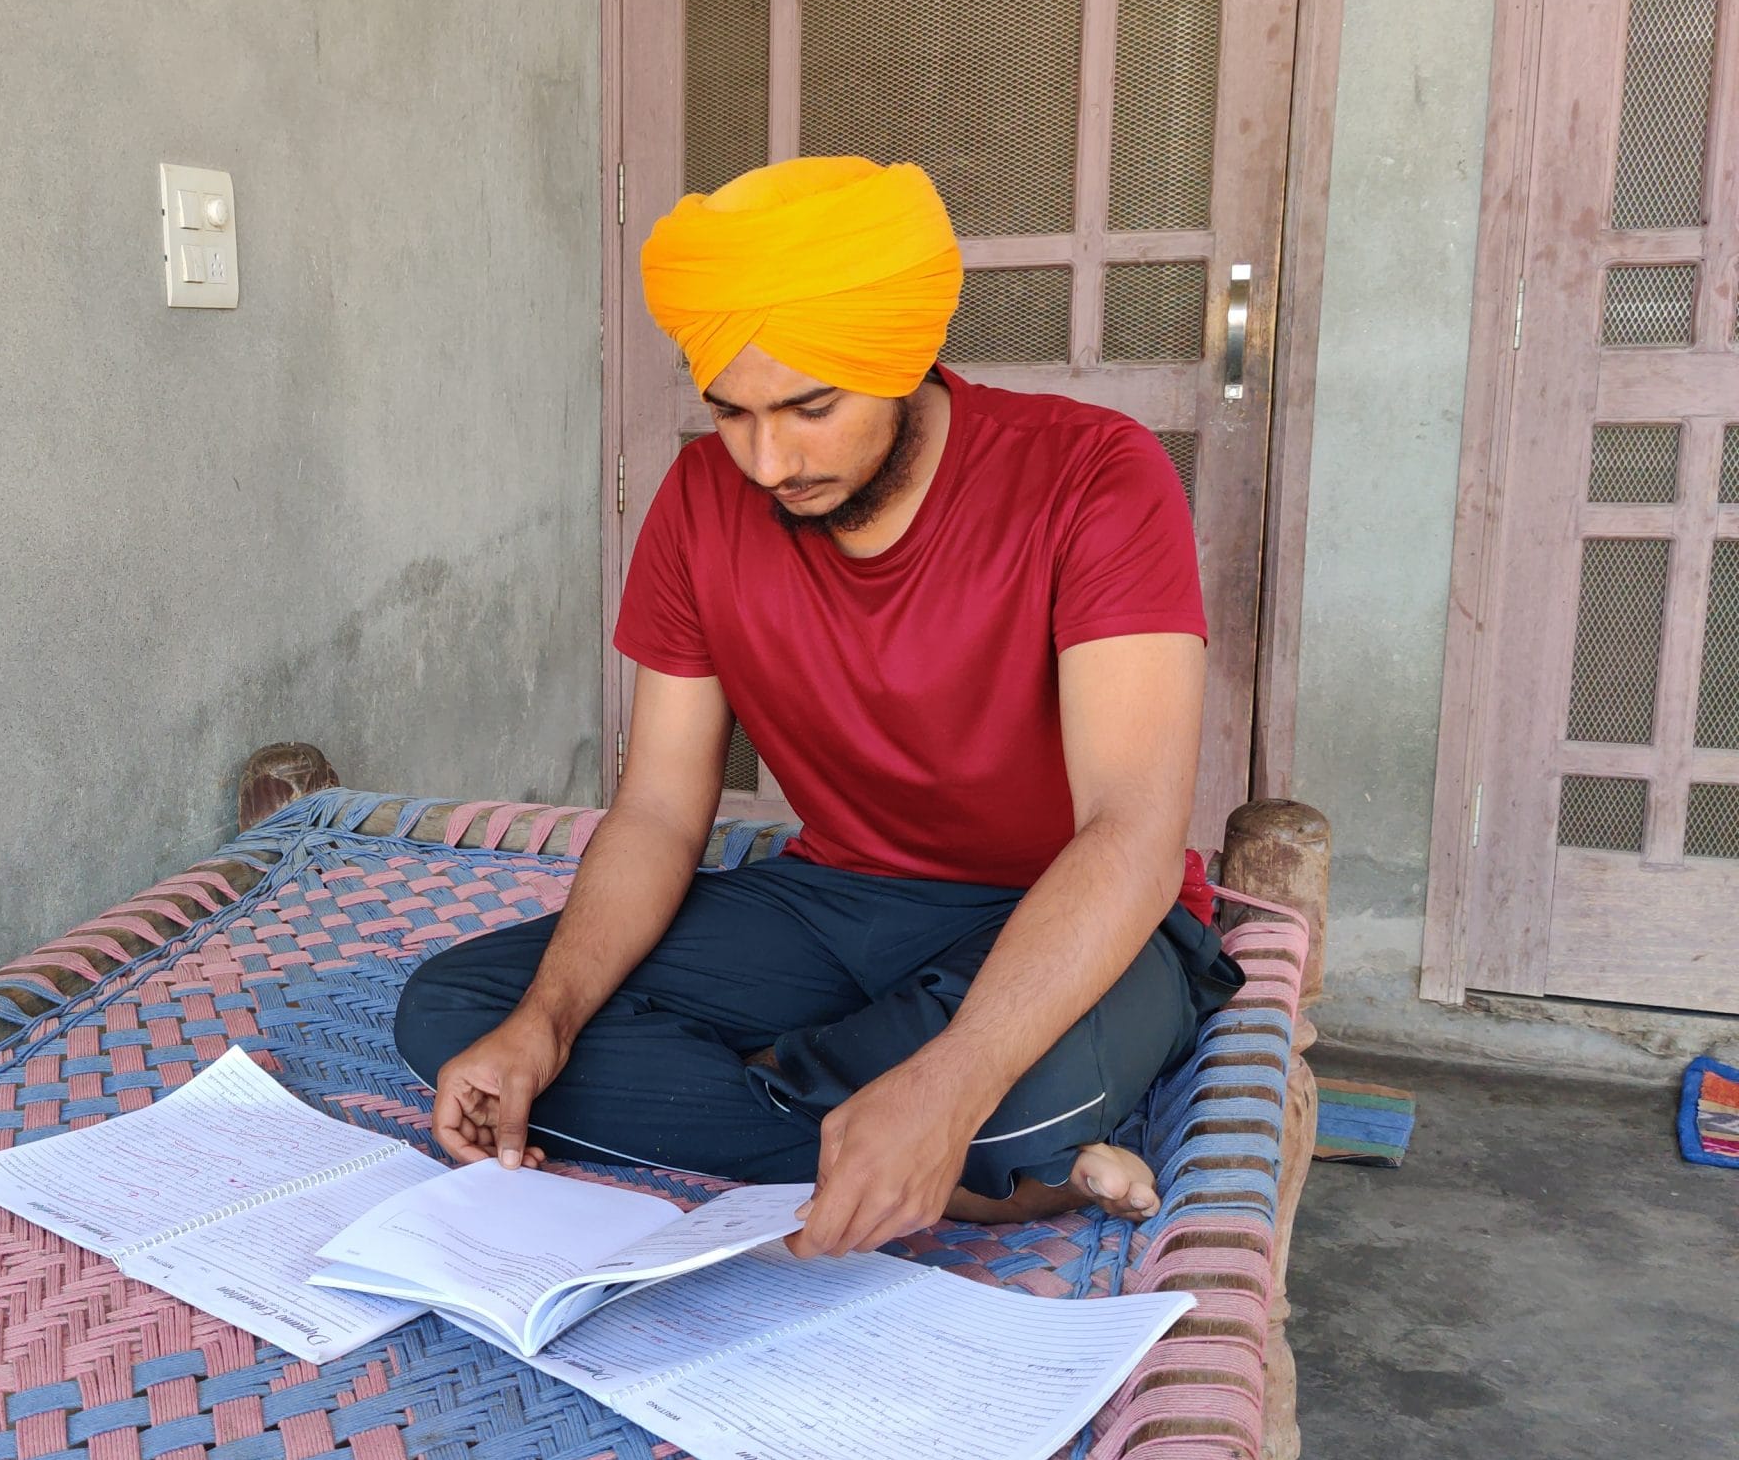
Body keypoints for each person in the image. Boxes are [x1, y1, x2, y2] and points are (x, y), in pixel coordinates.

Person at [395, 155, 1242, 1258]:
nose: (767, 461)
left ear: (902, 360)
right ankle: (970, 1169)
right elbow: (658, 810)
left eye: (810, 408)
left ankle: (922, 1120)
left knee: (1008, 1094)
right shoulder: (699, 505)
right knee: (461, 1019)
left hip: (1074, 910)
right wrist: (545, 1025)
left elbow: (1129, 832)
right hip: (836, 901)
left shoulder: (1095, 477)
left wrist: (953, 1077)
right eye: (731, 414)